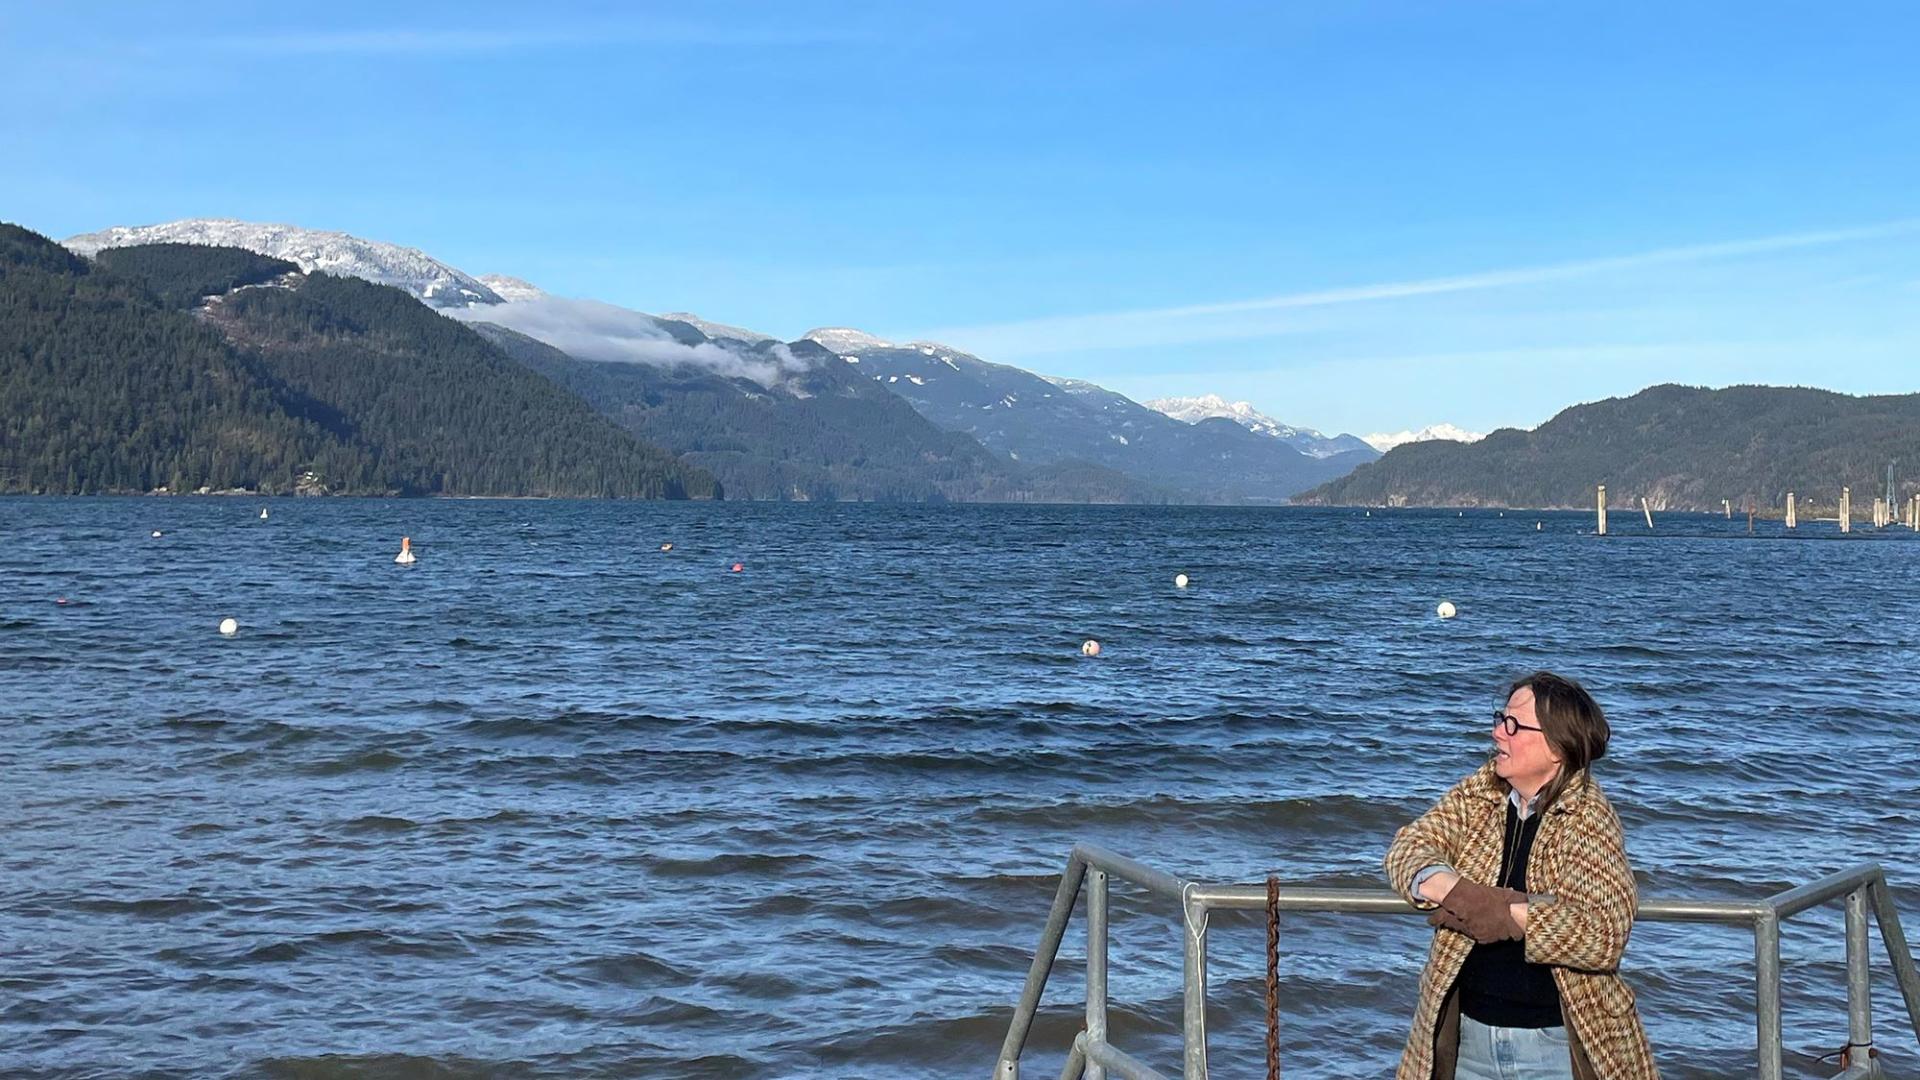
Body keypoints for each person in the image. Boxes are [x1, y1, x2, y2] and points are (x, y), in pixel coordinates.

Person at [1383, 672, 1657, 1079]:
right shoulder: (1481, 795)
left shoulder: (1587, 817)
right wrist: (1460, 894)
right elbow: (1406, 848)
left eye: (1513, 725)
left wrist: (1510, 914)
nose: (1498, 732)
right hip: (1466, 1041)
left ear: (1556, 747)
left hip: (1552, 1047)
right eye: (1500, 718)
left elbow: (1604, 935)